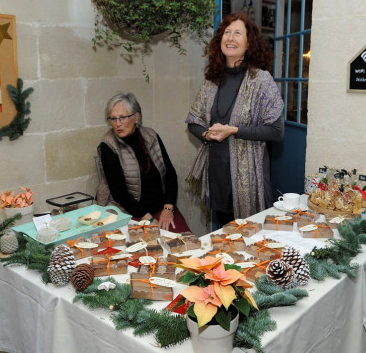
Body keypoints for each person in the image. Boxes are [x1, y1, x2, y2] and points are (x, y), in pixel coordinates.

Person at [185, 12, 284, 228]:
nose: (230, 38)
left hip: (248, 181)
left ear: (249, 43)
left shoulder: (261, 81)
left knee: (250, 237)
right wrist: (206, 134)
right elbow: (193, 120)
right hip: (217, 175)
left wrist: (234, 130)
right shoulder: (212, 80)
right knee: (224, 237)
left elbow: (276, 131)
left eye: (238, 33)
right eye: (226, 33)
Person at [96, 92, 190, 233]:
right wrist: (149, 219)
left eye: (122, 117)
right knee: (150, 249)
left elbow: (170, 174)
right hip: (128, 213)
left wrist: (168, 208)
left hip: (161, 209)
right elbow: (119, 193)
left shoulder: (151, 136)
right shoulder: (108, 145)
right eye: (113, 119)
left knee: (186, 242)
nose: (118, 124)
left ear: (136, 117)